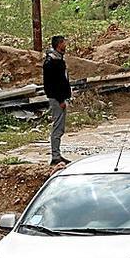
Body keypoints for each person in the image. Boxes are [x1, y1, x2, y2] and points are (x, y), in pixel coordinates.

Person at [43, 35, 71, 165]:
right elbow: (54, 83)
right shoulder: (52, 62)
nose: (65, 44)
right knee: (58, 127)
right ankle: (55, 156)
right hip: (57, 98)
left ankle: (57, 154)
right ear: (59, 44)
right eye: (63, 42)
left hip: (59, 97)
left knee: (60, 127)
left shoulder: (58, 59)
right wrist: (61, 99)